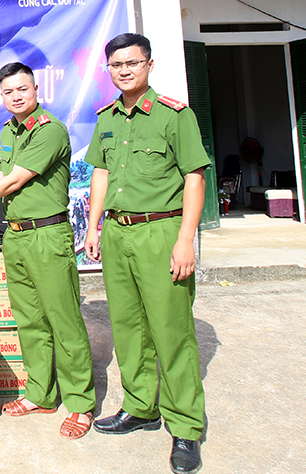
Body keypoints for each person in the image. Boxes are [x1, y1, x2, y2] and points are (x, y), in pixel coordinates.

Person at [0, 62, 97, 440]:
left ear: (36, 89)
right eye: (9, 92)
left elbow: (13, 181)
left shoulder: (50, 130)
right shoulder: (10, 130)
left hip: (47, 235)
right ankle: (40, 394)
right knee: (29, 319)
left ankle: (80, 403)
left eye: (22, 89)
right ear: (2, 95)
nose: (16, 96)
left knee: (64, 321)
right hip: (16, 235)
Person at [83, 33, 210, 474]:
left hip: (161, 232)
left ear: (149, 65)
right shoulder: (107, 117)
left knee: (171, 331)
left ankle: (186, 427)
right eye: (115, 65)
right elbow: (100, 170)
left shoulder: (175, 116)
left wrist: (185, 239)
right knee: (128, 327)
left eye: (132, 63)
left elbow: (195, 178)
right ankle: (141, 407)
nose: (124, 71)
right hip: (118, 234)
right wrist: (94, 224)